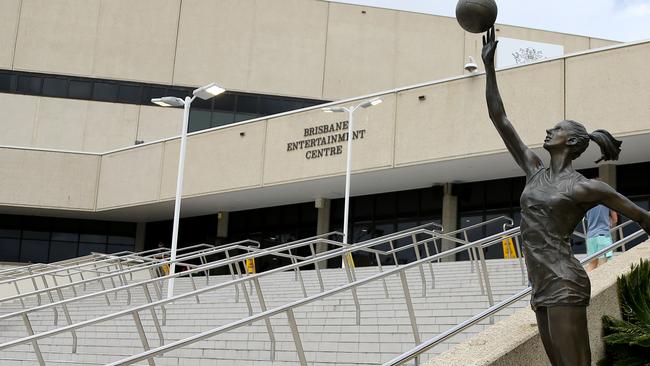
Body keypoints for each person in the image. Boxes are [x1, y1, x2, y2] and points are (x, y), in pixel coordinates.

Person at [481, 26, 650, 366]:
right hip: (540, 283)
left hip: (564, 281)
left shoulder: (586, 187)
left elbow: (643, 218)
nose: (548, 131)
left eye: (557, 130)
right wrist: (489, 69)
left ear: (572, 142)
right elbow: (500, 119)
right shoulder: (534, 169)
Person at [585, 204, 617, 271]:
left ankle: (586, 281)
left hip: (590, 236)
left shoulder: (588, 201)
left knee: (592, 264)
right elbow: (615, 219)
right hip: (603, 236)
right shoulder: (606, 200)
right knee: (603, 264)